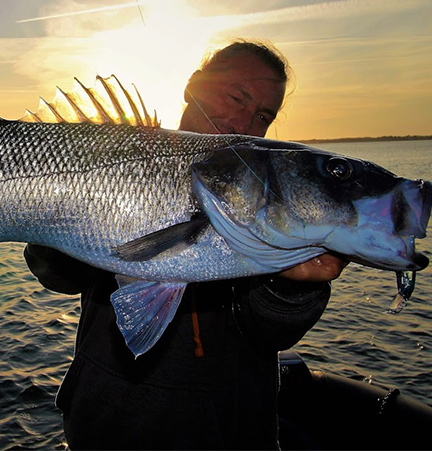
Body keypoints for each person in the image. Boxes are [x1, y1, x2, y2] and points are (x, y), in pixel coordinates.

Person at [24, 41, 347, 450]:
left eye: (263, 115)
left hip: (231, 433)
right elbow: (57, 277)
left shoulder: (270, 200)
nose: (244, 122)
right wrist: (52, 226)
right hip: (107, 423)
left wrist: (294, 286)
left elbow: (271, 331)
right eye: (236, 97)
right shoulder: (110, 153)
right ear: (194, 84)